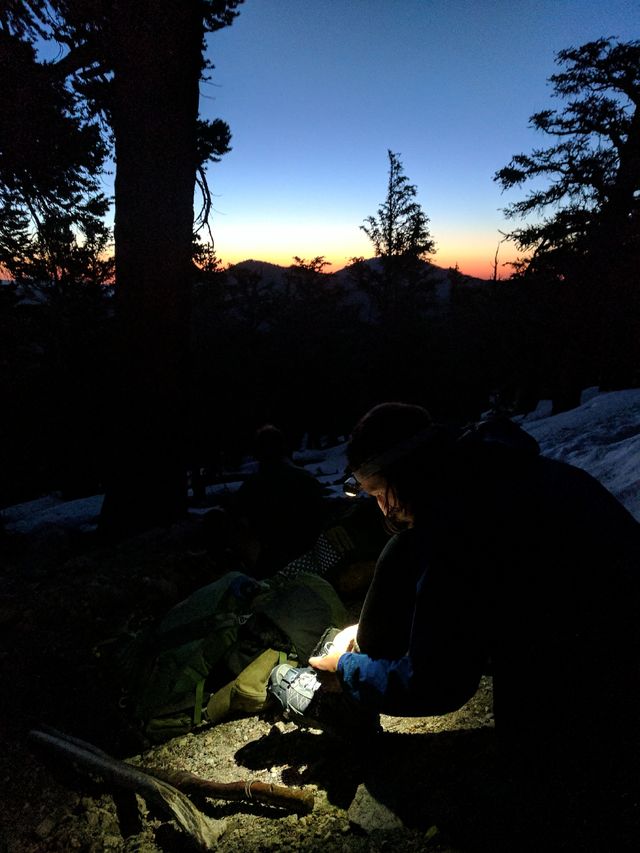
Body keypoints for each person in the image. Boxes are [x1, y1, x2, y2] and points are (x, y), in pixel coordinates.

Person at [269, 401, 640, 780]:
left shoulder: (462, 528)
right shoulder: (495, 471)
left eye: (380, 493)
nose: (383, 510)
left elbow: (438, 683)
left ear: (407, 473)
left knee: (528, 766)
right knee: (404, 549)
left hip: (611, 665)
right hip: (600, 622)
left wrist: (348, 671)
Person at [232, 424, 327, 577]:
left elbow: (238, 524)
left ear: (257, 454)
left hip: (272, 562)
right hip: (312, 559)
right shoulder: (306, 479)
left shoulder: (252, 486)